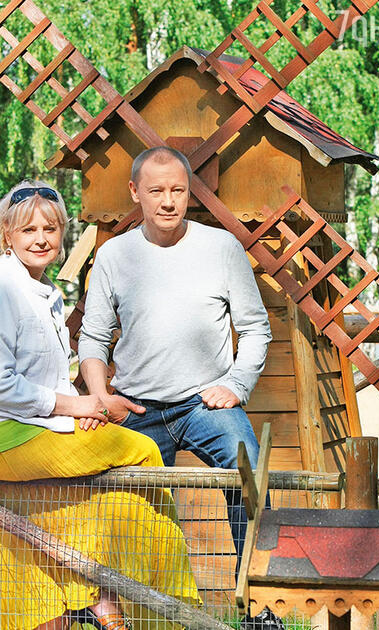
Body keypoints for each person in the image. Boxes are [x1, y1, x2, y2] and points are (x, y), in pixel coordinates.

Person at [0, 180, 199, 630]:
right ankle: (162, 603)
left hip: (26, 428)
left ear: (63, 233)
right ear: (7, 235)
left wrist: (85, 406)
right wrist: (73, 408)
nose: (40, 239)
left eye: (50, 228)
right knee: (140, 452)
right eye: (27, 231)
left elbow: (39, 378)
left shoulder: (42, 291)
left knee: (79, 492)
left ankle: (101, 596)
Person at [78, 147, 277, 629]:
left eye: (178, 191)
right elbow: (93, 336)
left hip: (204, 403)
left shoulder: (222, 247)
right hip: (137, 408)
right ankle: (116, 611)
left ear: (190, 191)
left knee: (250, 470)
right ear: (135, 193)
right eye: (156, 191)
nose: (168, 202)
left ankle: (260, 604)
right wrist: (101, 396)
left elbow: (255, 328)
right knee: (116, 501)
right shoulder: (114, 254)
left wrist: (236, 383)